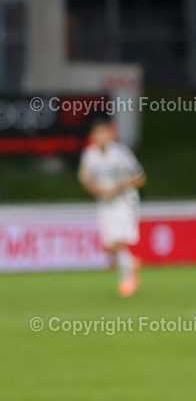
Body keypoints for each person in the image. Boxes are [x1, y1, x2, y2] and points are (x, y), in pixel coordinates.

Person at [78, 116, 145, 297]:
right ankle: (131, 264)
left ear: (111, 134)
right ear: (93, 136)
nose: (101, 136)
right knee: (109, 245)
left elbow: (140, 178)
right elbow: (86, 180)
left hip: (124, 201)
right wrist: (99, 191)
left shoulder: (121, 153)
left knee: (117, 241)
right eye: (98, 133)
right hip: (105, 202)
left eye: (104, 132)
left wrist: (118, 187)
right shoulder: (89, 156)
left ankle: (127, 280)